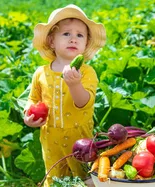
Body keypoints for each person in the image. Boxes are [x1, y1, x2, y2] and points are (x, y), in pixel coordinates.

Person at [23, 4, 106, 186]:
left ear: (85, 44)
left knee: (83, 177)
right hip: (50, 138)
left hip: (80, 138)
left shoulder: (87, 72)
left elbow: (85, 102)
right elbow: (33, 99)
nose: (73, 39)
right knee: (54, 177)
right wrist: (28, 115)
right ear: (52, 41)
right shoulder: (41, 72)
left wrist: (74, 84)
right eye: (66, 34)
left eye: (79, 35)